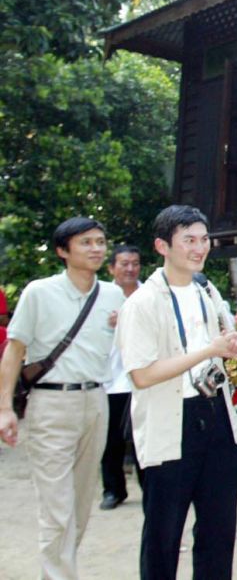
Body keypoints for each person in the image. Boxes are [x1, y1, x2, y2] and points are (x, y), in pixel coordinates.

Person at [115, 205, 237, 580]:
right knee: (163, 532)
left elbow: (222, 343)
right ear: (162, 245)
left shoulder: (207, 289)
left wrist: (232, 345)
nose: (199, 248)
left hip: (217, 417)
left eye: (204, 239)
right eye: (188, 240)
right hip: (171, 421)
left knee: (219, 530)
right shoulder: (142, 303)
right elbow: (141, 375)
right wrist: (209, 350)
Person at [0, 216, 125, 580]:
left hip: (96, 402)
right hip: (51, 405)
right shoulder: (39, 292)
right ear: (62, 251)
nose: (96, 248)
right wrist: (5, 408)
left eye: (100, 241)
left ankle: (55, 573)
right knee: (57, 511)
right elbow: (14, 351)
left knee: (81, 507)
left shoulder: (113, 294)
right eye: (85, 242)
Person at [101, 244, 143, 509]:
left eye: (135, 263)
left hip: (143, 378)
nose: (130, 269)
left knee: (143, 438)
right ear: (112, 268)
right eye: (124, 263)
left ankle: (149, 489)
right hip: (110, 380)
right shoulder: (102, 297)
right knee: (110, 440)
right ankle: (113, 490)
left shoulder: (150, 294)